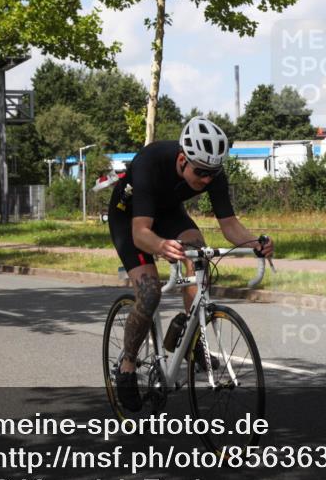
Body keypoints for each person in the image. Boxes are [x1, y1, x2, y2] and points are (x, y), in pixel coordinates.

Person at [106, 116, 273, 412]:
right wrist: (160, 245)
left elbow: (230, 225)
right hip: (131, 217)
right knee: (150, 292)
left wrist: (254, 244)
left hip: (169, 211)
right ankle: (128, 367)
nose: (207, 180)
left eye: (213, 173)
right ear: (183, 160)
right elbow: (141, 232)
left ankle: (191, 329)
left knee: (200, 251)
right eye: (201, 173)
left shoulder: (211, 173)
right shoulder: (150, 164)